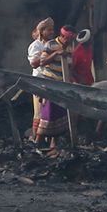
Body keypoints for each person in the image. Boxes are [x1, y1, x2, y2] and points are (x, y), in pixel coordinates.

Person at [26, 18, 68, 147]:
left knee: (51, 113)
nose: (51, 32)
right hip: (39, 82)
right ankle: (36, 140)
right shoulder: (36, 46)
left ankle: (50, 141)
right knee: (40, 112)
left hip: (51, 81)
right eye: (48, 30)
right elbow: (34, 64)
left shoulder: (50, 43)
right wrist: (51, 55)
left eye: (52, 30)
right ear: (41, 31)